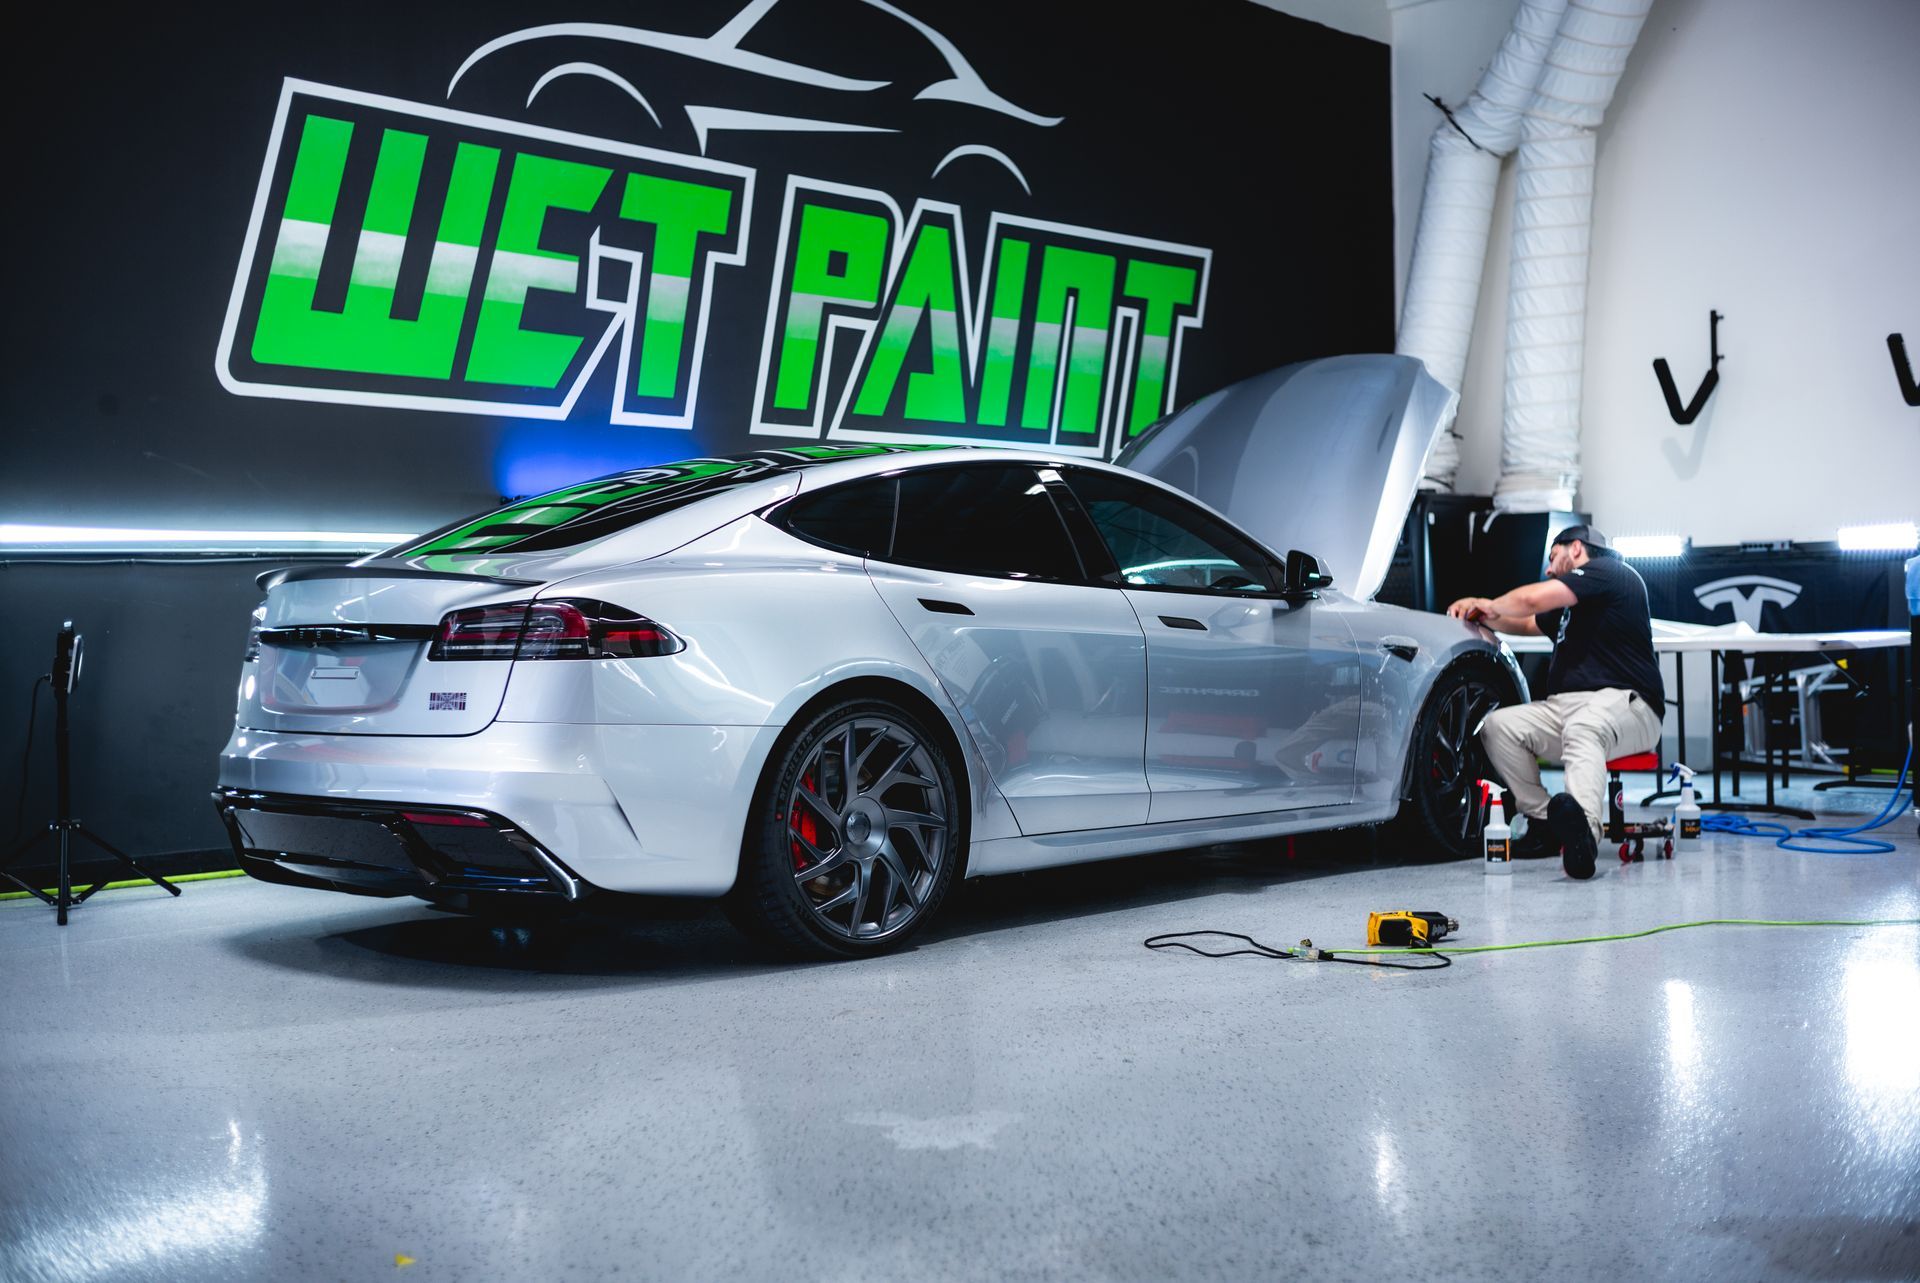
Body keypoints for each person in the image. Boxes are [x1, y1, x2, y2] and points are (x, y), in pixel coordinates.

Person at [1446, 525, 1665, 879]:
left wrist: (1485, 602)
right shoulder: (1575, 603)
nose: (1549, 569)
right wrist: (1486, 618)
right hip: (1567, 707)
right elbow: (1532, 622)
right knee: (1499, 727)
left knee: (1584, 727)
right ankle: (1548, 821)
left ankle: (1586, 837)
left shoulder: (1610, 572)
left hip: (1628, 706)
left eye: (1553, 558)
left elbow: (1532, 600)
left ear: (1576, 548)